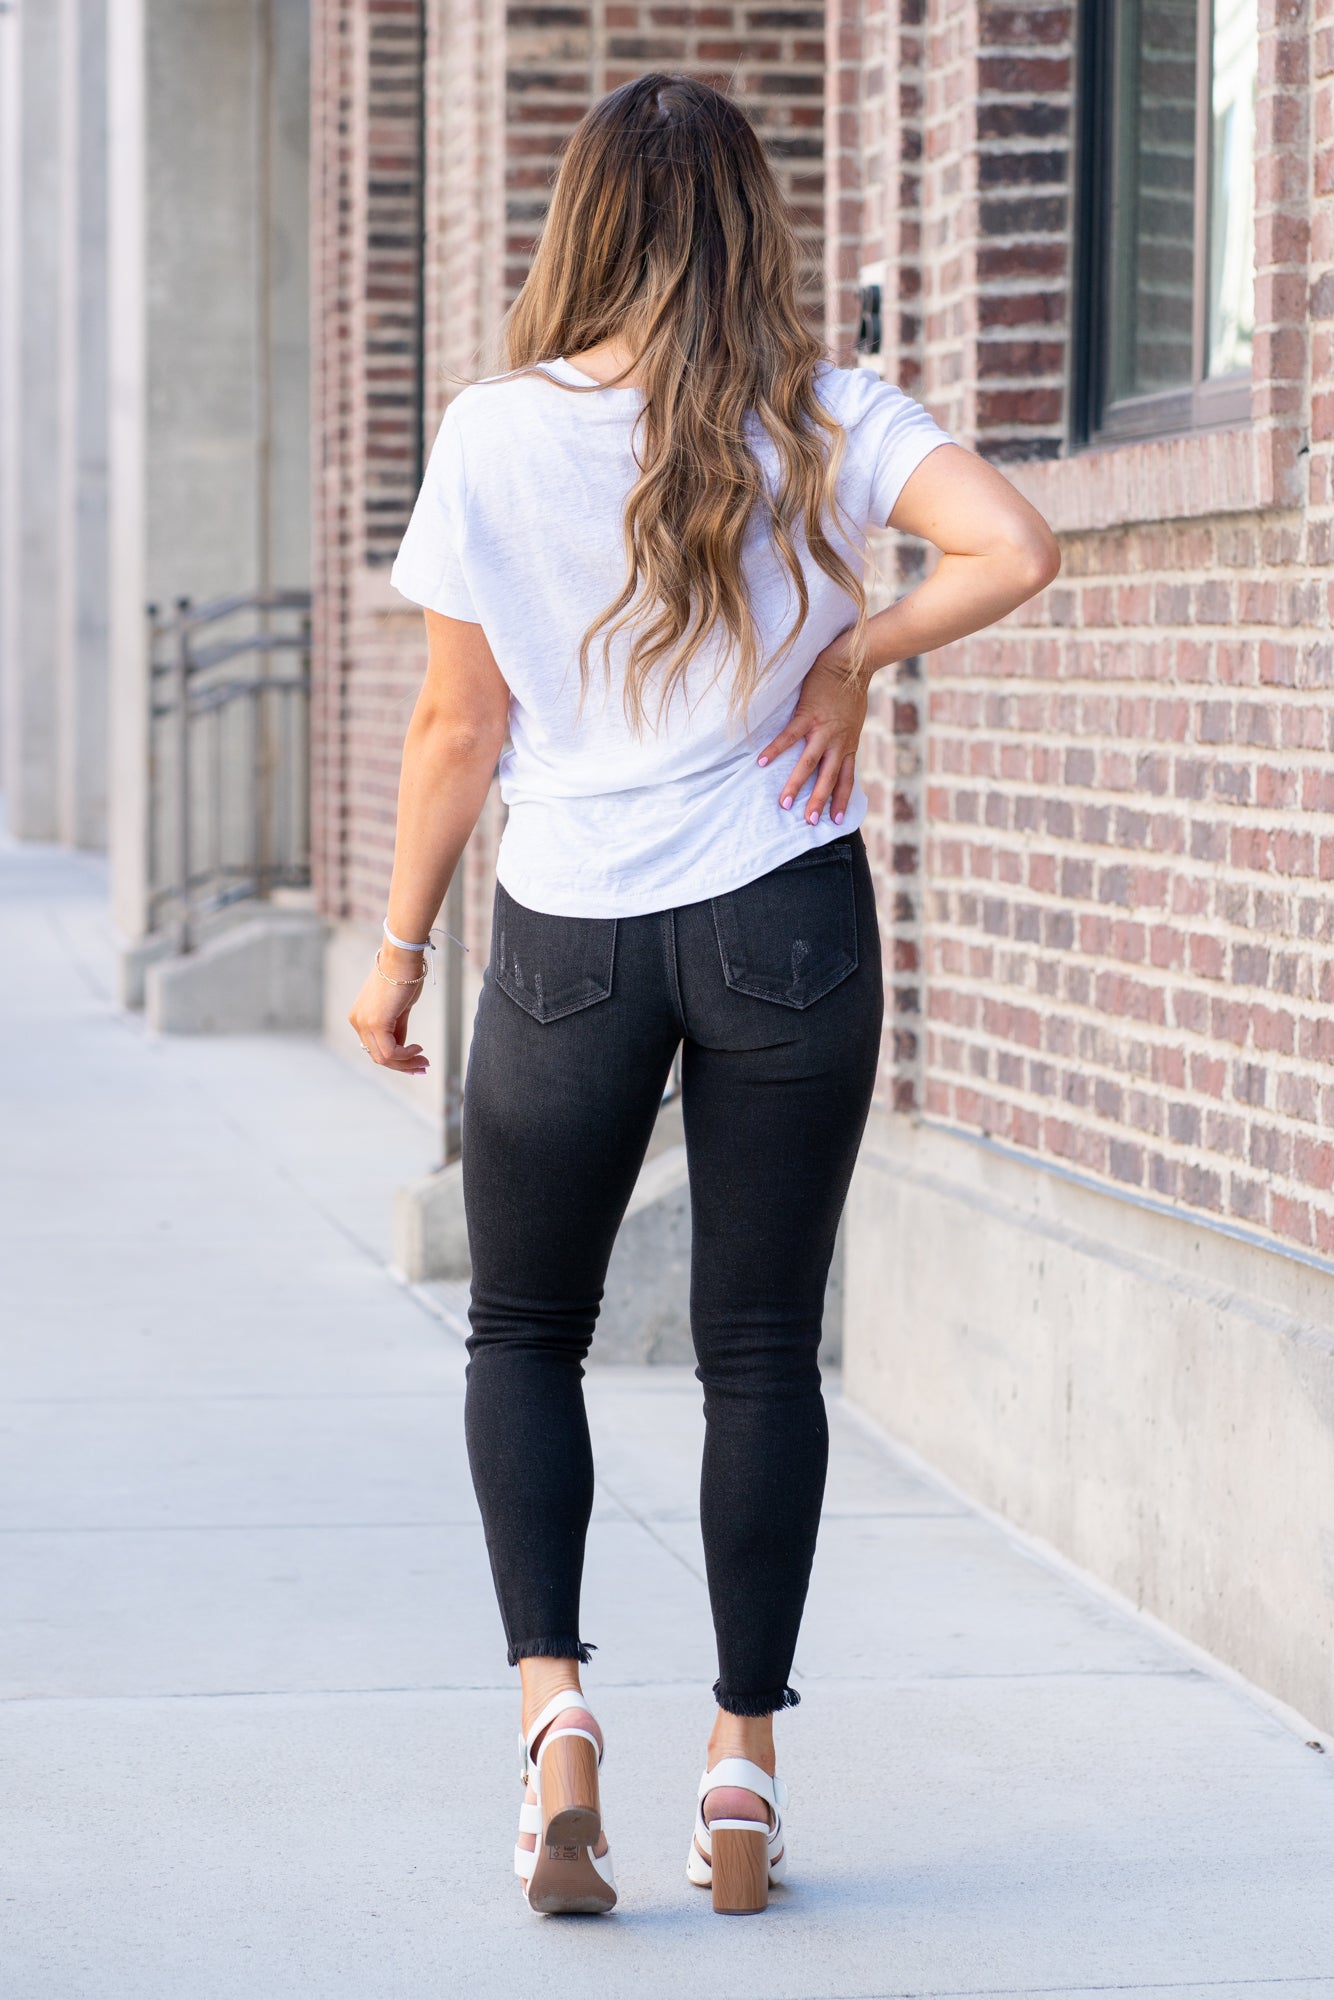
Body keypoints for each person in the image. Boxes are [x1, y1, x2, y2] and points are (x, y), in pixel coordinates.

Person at [348, 72, 1058, 1918]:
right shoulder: (827, 413)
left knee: (525, 1334)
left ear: (579, 223)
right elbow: (1013, 547)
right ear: (755, 222)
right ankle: (740, 1771)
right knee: (759, 1352)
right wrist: (854, 657)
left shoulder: (493, 432)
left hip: (568, 933)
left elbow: (454, 729)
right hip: (784, 914)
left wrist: (400, 948)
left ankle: (556, 1729)